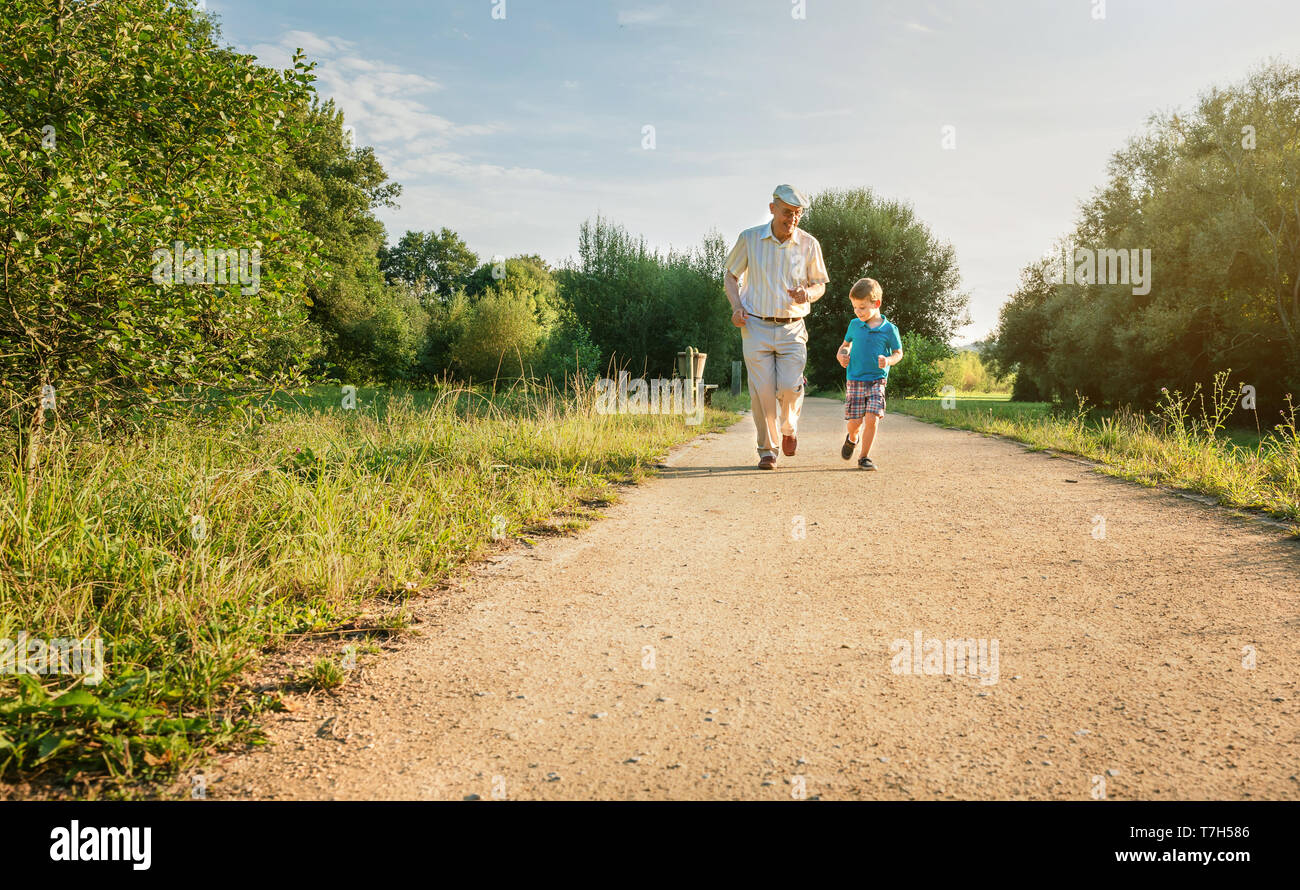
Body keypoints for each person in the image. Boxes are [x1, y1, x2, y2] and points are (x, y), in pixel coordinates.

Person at [723, 184, 830, 470]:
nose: (792, 219)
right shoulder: (750, 239)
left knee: (789, 387)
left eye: (797, 214)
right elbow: (731, 276)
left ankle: (789, 427)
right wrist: (736, 307)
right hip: (755, 325)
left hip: (793, 327)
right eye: (787, 213)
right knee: (763, 392)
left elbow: (820, 284)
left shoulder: (809, 244)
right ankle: (767, 451)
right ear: (772, 209)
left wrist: (809, 293)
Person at [836, 278, 903, 470]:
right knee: (855, 422)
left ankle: (864, 457)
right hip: (855, 379)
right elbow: (845, 345)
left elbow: (898, 353)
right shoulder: (854, 325)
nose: (858, 312)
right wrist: (842, 355)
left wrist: (888, 360)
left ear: (877, 304)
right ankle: (852, 438)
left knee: (872, 418)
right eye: (855, 307)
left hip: (877, 380)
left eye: (862, 307)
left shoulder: (889, 329)